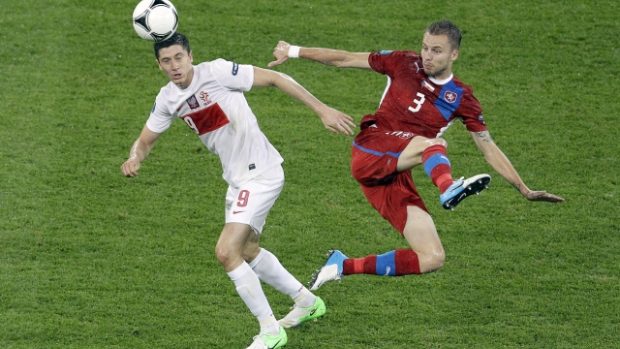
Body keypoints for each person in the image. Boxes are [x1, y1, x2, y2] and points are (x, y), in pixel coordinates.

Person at [268, 20, 564, 290]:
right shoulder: (403, 62)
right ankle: (448, 188)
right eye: (425, 47)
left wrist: (523, 188)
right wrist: (293, 51)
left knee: (432, 257)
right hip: (370, 149)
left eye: (436, 50)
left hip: (393, 174)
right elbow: (344, 58)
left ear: (454, 55)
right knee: (433, 144)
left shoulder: (462, 97)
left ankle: (341, 264)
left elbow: (487, 146)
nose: (427, 55)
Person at [121, 32, 356, 349]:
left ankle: (270, 331)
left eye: (179, 57)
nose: (175, 66)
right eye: (167, 61)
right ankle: (306, 302)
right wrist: (135, 156)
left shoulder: (216, 72)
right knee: (247, 250)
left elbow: (274, 77)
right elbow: (145, 140)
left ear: (190, 56)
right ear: (159, 65)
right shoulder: (167, 99)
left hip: (261, 174)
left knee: (226, 251)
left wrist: (321, 109)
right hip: (237, 180)